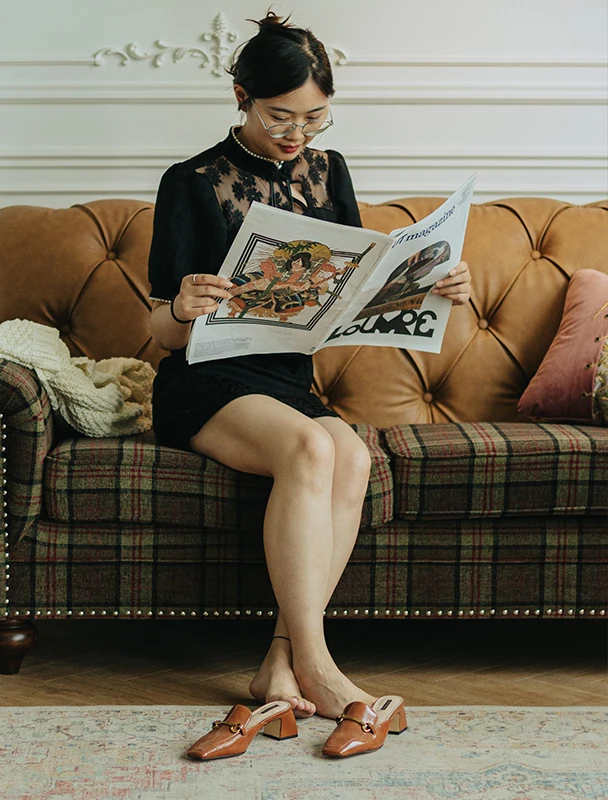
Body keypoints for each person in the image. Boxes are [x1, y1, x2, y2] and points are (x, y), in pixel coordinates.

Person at [147, 12, 471, 738]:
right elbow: (155, 329)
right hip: (206, 381)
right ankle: (321, 668)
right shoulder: (191, 181)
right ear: (240, 96)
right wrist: (181, 305)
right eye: (279, 116)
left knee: (351, 451)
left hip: (290, 380)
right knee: (311, 448)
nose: (297, 134)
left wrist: (428, 287)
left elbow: (352, 286)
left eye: (315, 117)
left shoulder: (331, 170)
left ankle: (280, 663)